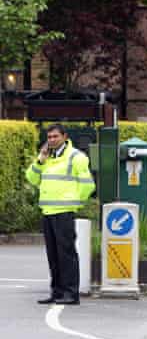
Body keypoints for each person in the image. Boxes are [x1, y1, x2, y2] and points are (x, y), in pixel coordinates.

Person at [25, 124, 95, 305]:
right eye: (49, 137)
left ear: (65, 136)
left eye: (55, 136)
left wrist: (74, 203)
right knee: (53, 255)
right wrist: (40, 160)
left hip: (64, 212)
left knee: (66, 254)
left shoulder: (76, 157)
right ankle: (56, 292)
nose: (51, 140)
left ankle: (71, 294)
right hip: (47, 211)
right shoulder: (47, 157)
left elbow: (88, 185)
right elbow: (31, 179)